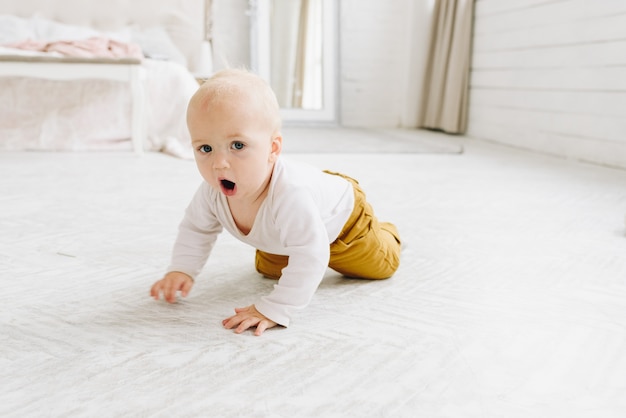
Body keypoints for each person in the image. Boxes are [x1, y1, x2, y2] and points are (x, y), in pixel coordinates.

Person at [150, 68, 401, 336]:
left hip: (343, 222)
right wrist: (182, 269)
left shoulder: (290, 194)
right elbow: (196, 229)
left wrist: (274, 307)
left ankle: (386, 232)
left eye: (237, 145)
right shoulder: (211, 192)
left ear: (273, 148)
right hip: (286, 234)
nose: (218, 164)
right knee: (269, 270)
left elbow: (311, 253)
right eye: (206, 149)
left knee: (378, 266)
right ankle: (292, 240)